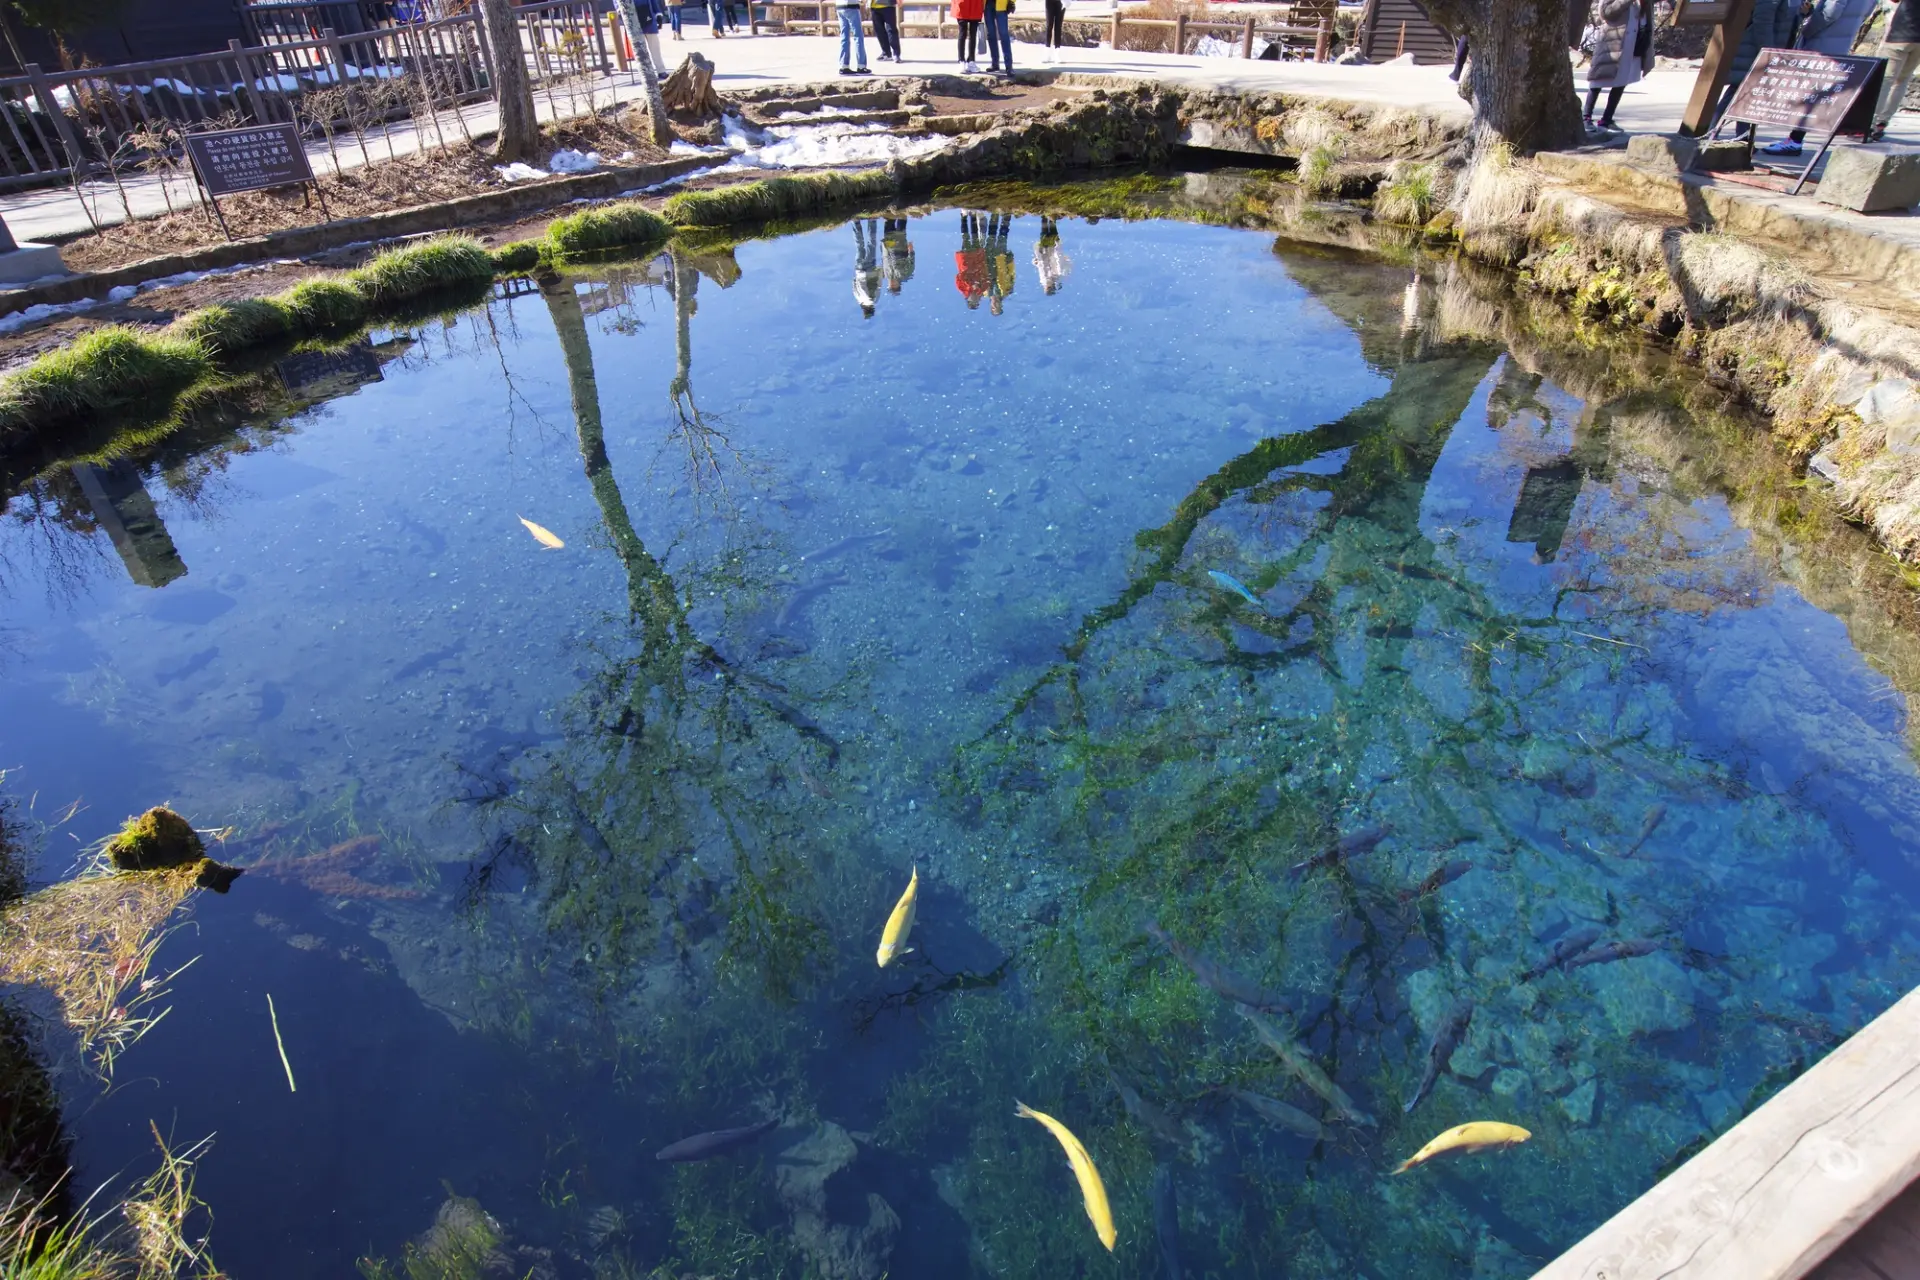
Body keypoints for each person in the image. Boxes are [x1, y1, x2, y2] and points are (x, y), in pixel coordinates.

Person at [1762, 0, 1877, 153]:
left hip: (1823, 40)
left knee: (1810, 92)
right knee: (1819, 91)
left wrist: (1807, 28)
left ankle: (1794, 140)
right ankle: (1795, 139)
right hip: (1842, 40)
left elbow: (1831, 12)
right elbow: (1865, 14)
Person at [1710, 0, 1797, 135]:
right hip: (1754, 48)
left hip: (1770, 49)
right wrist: (1768, 52)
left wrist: (1804, 12)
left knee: (1749, 92)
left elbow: (1787, 19)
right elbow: (1762, 21)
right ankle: (1711, 131)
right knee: (1738, 90)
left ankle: (1742, 136)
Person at [1582, 0, 1653, 132]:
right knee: (1598, 80)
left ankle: (1606, 120)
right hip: (1611, 42)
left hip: (1631, 44)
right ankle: (1586, 117)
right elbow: (1605, 12)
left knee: (1622, 81)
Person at [1867, 0, 1917, 142]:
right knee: (1901, 80)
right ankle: (1882, 122)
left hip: (1900, 34)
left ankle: (1869, 124)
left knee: (1884, 79)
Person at [955, 213, 988, 308]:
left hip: (966, 259)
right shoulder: (983, 288)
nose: (975, 299)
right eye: (976, 301)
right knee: (975, 237)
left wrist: (970, 283)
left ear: (968, 299)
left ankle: (964, 217)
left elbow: (959, 277)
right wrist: (978, 282)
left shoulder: (962, 288)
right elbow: (986, 275)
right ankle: (973, 215)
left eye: (972, 301)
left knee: (965, 237)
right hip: (978, 259)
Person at [984, 213, 1015, 314]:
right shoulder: (1006, 291)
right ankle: (1007, 214)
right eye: (998, 307)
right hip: (1001, 259)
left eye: (994, 307)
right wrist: (1010, 260)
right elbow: (1011, 274)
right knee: (1003, 236)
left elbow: (980, 274)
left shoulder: (985, 292)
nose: (996, 305)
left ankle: (995, 213)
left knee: (991, 236)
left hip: (988, 259)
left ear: (991, 306)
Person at [1032, 215, 1068, 294]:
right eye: (1047, 287)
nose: (1046, 286)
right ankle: (1047, 214)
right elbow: (1045, 266)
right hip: (1049, 249)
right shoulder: (1053, 277)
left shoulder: (1047, 279)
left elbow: (1043, 266)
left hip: (1047, 250)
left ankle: (1046, 214)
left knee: (1047, 230)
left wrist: (1037, 260)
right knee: (1048, 229)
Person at [854, 220, 882, 317]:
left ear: (872, 309)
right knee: (859, 245)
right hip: (859, 270)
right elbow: (853, 285)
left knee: (872, 243)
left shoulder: (874, 300)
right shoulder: (859, 299)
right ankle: (856, 222)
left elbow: (878, 285)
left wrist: (880, 271)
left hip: (870, 269)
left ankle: (872, 220)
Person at [882, 217, 917, 292]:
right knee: (901, 226)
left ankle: (890, 210)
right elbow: (911, 262)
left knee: (888, 224)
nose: (891, 284)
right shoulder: (905, 274)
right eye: (894, 285)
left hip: (889, 246)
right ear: (899, 284)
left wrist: (883, 246)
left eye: (890, 286)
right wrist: (911, 250)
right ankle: (903, 208)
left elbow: (885, 260)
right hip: (900, 248)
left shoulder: (887, 275)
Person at [838, 0, 872, 73]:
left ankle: (844, 65)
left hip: (839, 6)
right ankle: (861, 65)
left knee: (844, 37)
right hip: (851, 5)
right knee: (858, 36)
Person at [983, 0, 1015, 73]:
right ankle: (995, 63)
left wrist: (1012, 2)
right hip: (987, 4)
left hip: (1001, 5)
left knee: (1004, 34)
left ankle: (1009, 65)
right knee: (991, 34)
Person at [954, 0, 984, 72]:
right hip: (962, 4)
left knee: (973, 34)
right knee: (962, 33)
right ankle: (961, 61)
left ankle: (971, 61)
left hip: (976, 4)